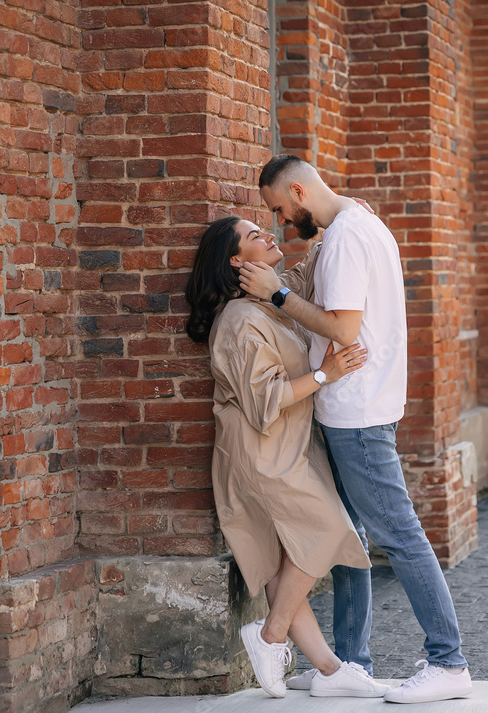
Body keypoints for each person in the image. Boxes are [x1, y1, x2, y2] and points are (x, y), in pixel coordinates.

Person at [238, 155, 473, 705]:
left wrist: (275, 293)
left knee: (399, 534)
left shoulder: (345, 237)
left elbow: (344, 329)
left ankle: (449, 661)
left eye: (279, 209)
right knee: (351, 537)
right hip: (358, 406)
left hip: (357, 413)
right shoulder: (362, 225)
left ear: (298, 191)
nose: (280, 222)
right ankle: (344, 665)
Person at [184, 215, 391, 700]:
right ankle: (270, 636)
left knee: (284, 565)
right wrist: (327, 374)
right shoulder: (240, 321)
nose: (269, 235)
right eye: (255, 236)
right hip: (262, 455)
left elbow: (304, 273)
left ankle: (327, 668)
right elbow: (264, 400)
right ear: (237, 262)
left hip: (285, 449)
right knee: (326, 528)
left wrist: (343, 215)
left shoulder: (269, 301)